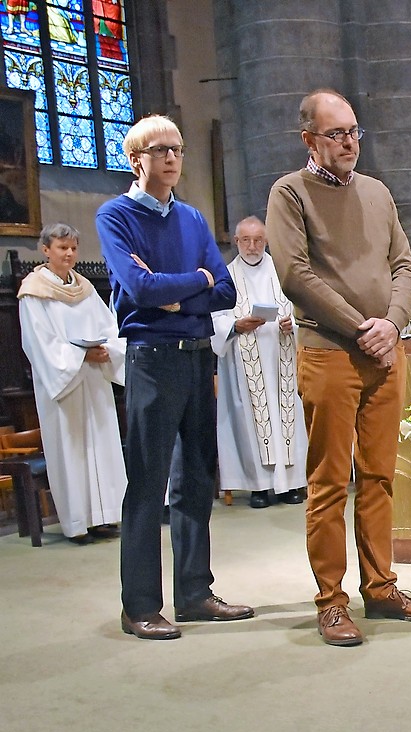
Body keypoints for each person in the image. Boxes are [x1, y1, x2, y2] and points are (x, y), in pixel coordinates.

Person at [266, 88, 411, 647]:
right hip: (329, 352)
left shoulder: (377, 192)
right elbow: (295, 274)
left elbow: (403, 265)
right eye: (336, 134)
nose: (348, 143)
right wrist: (360, 327)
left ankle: (382, 586)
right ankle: (331, 601)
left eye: (353, 132)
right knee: (327, 484)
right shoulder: (289, 193)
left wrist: (391, 323)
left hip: (385, 351)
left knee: (379, 476)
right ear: (309, 140)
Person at [96, 115, 254, 640]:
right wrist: (196, 284)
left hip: (196, 356)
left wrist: (179, 290)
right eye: (160, 149)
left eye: (178, 149)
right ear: (135, 159)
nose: (171, 158)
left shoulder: (191, 218)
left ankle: (194, 594)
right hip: (153, 358)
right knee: (147, 484)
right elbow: (138, 289)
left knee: (194, 482)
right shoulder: (115, 216)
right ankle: (139, 604)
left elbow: (226, 291)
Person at [17, 222, 125, 544]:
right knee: (72, 450)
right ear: (45, 250)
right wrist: (79, 357)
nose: (69, 254)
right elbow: (38, 343)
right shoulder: (34, 291)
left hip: (93, 382)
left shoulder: (85, 288)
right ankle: (78, 523)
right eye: (62, 248)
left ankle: (105, 517)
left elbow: (110, 326)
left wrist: (108, 350)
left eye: (73, 248)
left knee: (102, 446)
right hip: (64, 383)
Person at [212, 215, 307, 510]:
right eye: (246, 240)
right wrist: (235, 325)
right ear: (236, 242)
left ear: (266, 241)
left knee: (287, 417)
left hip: (282, 358)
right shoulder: (225, 276)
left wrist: (294, 323)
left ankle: (292, 483)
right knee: (250, 422)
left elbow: (302, 308)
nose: (252, 246)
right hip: (244, 362)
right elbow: (215, 318)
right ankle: (258, 486)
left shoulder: (283, 272)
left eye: (258, 240)